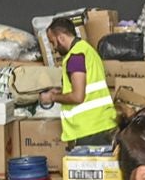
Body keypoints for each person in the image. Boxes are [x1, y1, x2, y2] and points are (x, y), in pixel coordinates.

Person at [41, 18, 118, 149]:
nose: (54, 47)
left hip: (89, 130)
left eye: (53, 42)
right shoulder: (88, 50)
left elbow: (78, 96)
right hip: (102, 125)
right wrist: (60, 93)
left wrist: (52, 97)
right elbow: (87, 88)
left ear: (61, 38)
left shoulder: (75, 56)